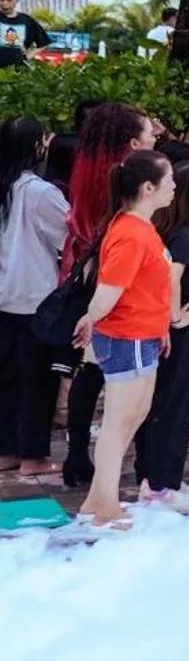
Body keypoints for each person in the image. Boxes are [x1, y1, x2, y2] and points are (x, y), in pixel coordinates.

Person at [67, 151, 185, 525]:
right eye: (169, 179)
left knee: (134, 416)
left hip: (143, 334)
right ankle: (106, 507)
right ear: (148, 187)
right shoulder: (131, 233)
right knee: (119, 423)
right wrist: (90, 318)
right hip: (126, 335)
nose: (174, 186)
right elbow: (109, 291)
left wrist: (160, 327)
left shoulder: (140, 227)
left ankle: (96, 500)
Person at [136, 160, 189, 507]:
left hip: (162, 329)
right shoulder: (183, 233)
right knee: (175, 406)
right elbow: (172, 277)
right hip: (179, 333)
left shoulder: (167, 227)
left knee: (159, 403)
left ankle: (152, 478)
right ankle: (163, 483)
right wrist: (175, 317)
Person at [0, 118, 68, 476]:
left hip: (4, 296)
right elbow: (68, 237)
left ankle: (6, 450)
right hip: (35, 297)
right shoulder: (39, 192)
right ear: (36, 147)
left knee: (7, 378)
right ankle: (33, 455)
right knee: (38, 380)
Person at [0, 0, 53, 66]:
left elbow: (44, 42)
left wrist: (27, 56)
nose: (5, 3)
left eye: (9, 0)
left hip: (18, 71)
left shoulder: (27, 21)